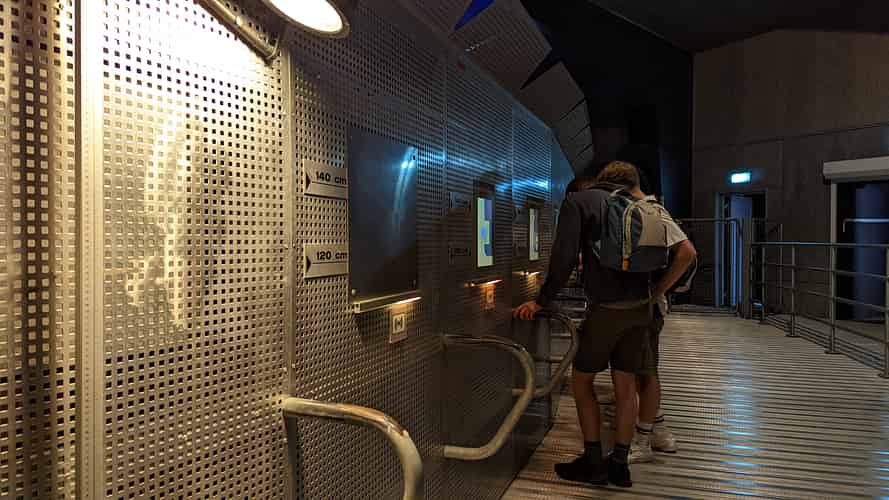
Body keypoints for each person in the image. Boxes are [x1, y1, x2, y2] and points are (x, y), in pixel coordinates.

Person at [514, 161, 694, 488]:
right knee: (625, 385)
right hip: (641, 309)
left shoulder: (579, 202)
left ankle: (593, 460)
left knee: (582, 381)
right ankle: (620, 466)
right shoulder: (643, 206)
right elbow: (684, 253)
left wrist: (542, 301)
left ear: (599, 180)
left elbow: (564, 258)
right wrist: (656, 292)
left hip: (607, 310)